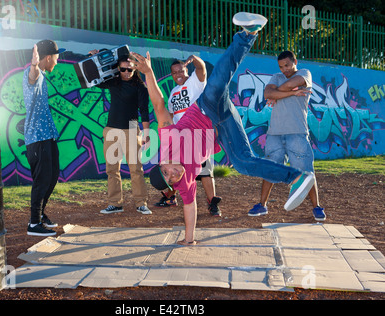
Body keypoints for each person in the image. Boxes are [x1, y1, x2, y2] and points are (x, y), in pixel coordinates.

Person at [130, 12, 315, 245]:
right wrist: (189, 239)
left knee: (217, 82)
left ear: (162, 163)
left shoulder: (167, 144)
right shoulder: (183, 183)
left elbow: (159, 107)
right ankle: (297, 176)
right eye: (171, 180)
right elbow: (189, 207)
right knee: (243, 163)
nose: (174, 174)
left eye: (167, 171)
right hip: (223, 123)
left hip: (206, 108)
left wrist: (148, 73)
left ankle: (248, 33)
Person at [248, 50, 326, 221]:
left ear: (294, 61)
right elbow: (268, 94)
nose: (284, 69)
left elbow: (284, 87)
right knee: (269, 169)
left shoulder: (305, 74)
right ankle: (262, 205)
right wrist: (290, 92)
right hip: (274, 133)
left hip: (297, 132)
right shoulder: (276, 77)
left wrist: (278, 93)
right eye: (281, 67)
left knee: (306, 171)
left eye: (287, 65)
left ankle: (317, 207)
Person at [155, 55, 222, 217]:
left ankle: (212, 203)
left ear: (186, 70)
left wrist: (195, 59)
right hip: (180, 139)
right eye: (174, 72)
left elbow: (202, 69)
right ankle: (171, 197)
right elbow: (170, 116)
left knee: (205, 171)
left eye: (181, 71)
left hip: (199, 133)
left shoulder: (194, 82)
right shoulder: (172, 93)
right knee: (173, 171)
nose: (178, 74)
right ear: (171, 75)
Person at [88, 51, 152, 215]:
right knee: (112, 169)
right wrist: (99, 56)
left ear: (135, 70)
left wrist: (146, 134)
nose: (126, 73)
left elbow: (144, 111)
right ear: (118, 69)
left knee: (136, 169)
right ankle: (115, 204)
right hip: (111, 129)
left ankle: (141, 203)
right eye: (123, 69)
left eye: (129, 70)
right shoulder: (113, 82)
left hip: (131, 128)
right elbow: (94, 79)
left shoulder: (140, 87)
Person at [22, 40, 65, 236]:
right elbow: (33, 77)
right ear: (48, 57)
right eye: (56, 57)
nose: (57, 60)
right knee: (42, 180)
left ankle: (39, 216)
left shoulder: (44, 75)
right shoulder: (34, 74)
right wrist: (33, 66)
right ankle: (33, 224)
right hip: (38, 138)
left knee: (52, 177)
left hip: (47, 137)